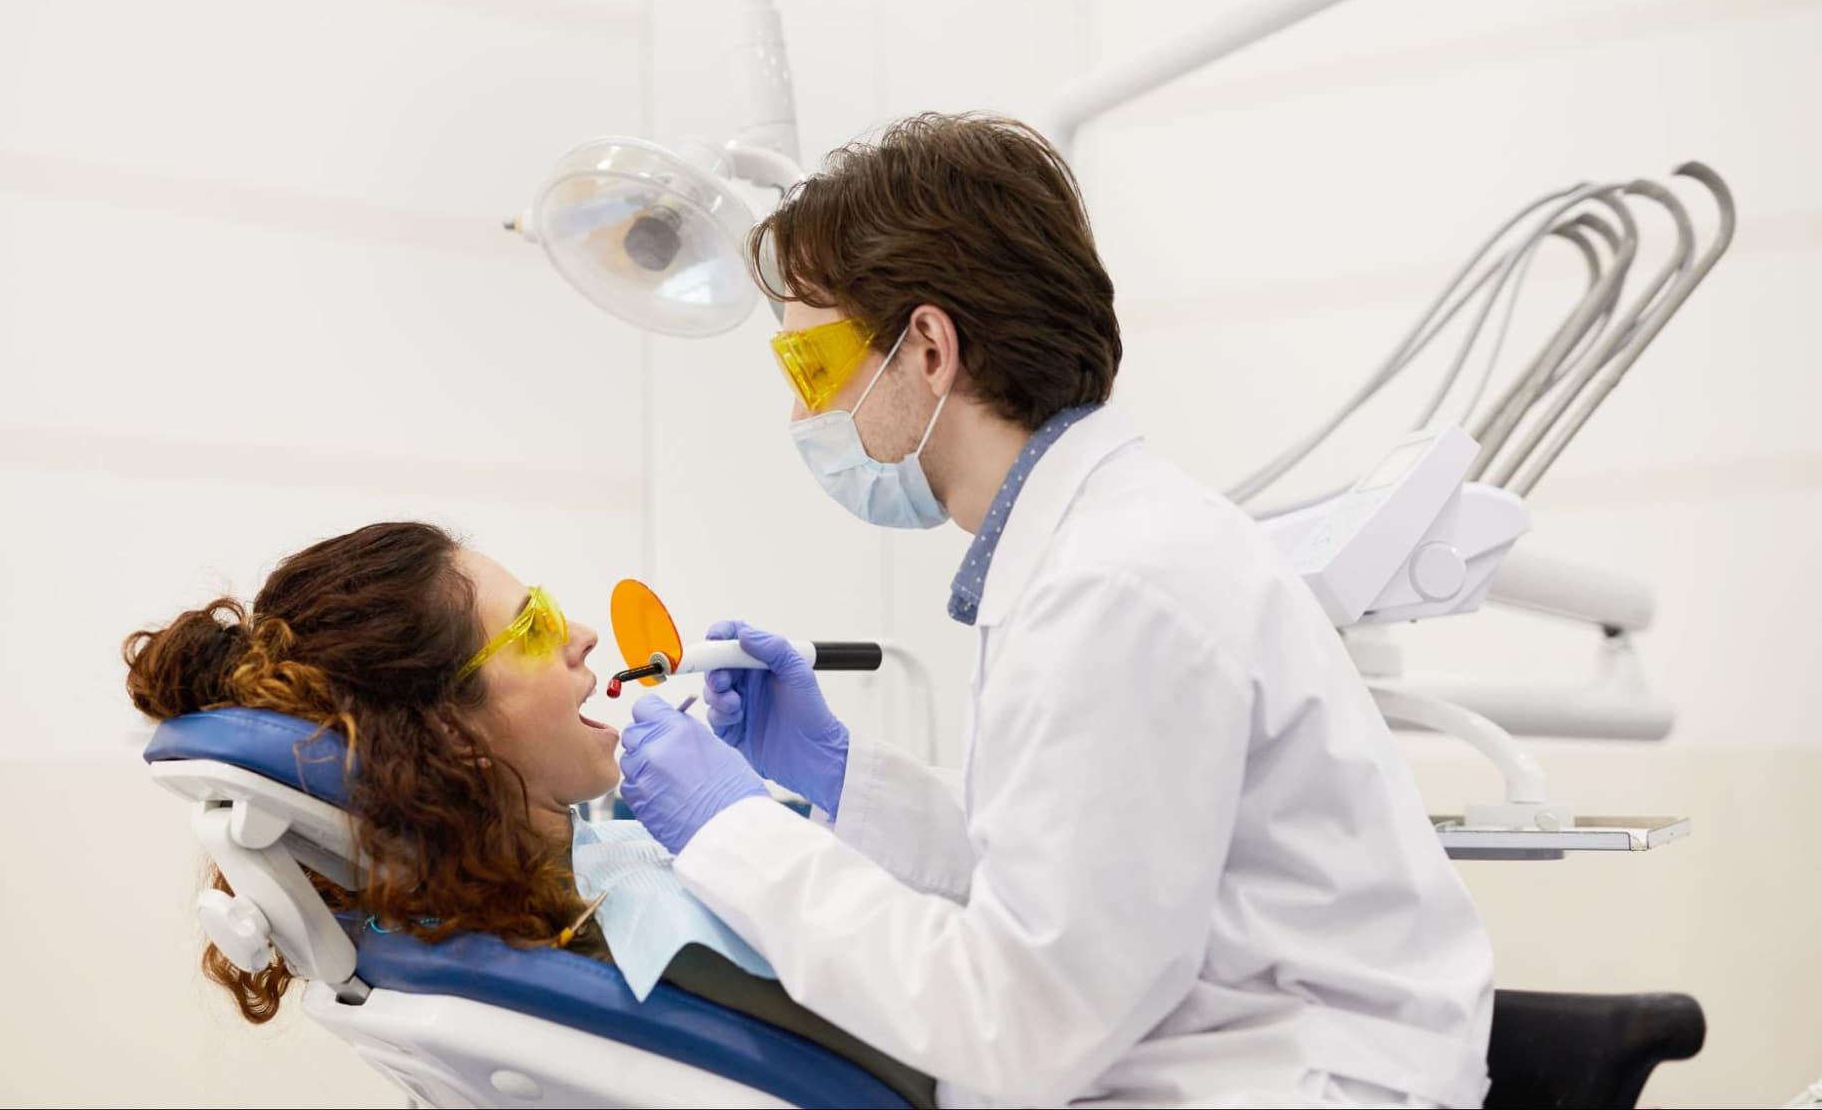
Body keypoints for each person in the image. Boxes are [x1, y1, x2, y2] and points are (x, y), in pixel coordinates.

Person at [615, 113, 1497, 1108]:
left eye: (807, 368)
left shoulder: (1112, 586)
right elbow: (1077, 876)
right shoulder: (1096, 548)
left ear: (929, 348)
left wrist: (734, 831)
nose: (799, 416)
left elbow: (1022, 1017)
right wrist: (846, 777)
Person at [124, 521, 619, 1020]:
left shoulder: (461, 937)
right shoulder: (624, 938)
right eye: (534, 628)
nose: (585, 636)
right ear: (452, 729)